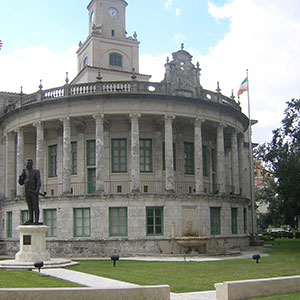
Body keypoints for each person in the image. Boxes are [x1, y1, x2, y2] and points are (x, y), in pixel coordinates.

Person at [18, 158, 41, 224]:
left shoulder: (36, 171)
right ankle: (31, 218)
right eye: (28, 163)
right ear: (25, 164)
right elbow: (21, 183)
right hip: (27, 191)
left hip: (33, 191)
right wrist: (20, 178)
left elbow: (38, 181)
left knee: (35, 205)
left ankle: (36, 219)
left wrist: (37, 190)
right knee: (29, 205)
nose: (29, 164)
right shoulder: (24, 171)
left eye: (30, 163)